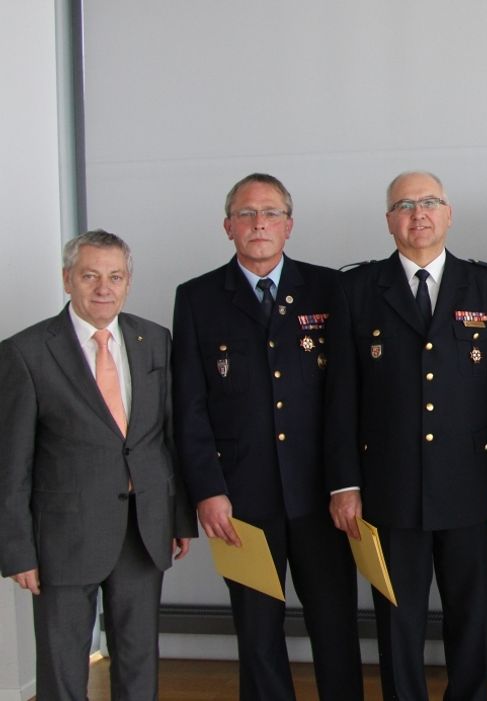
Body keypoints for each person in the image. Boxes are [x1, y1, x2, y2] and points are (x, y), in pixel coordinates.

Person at [324, 170, 487, 700]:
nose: (419, 213)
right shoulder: (356, 289)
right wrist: (344, 483)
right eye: (406, 204)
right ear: (389, 219)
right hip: (389, 490)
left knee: (470, 616)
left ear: (449, 213)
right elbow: (341, 397)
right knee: (398, 621)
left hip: (468, 487)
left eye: (430, 202)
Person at [172, 173, 362, 700]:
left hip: (321, 495)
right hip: (241, 502)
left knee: (336, 626)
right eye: (248, 214)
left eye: (272, 213)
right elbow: (188, 408)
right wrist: (207, 489)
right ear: (228, 226)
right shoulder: (197, 298)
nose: (260, 224)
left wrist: (347, 483)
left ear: (289, 225)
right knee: (257, 633)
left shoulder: (329, 289)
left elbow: (347, 397)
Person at [0, 229, 196, 700]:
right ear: (68, 279)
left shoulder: (155, 340)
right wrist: (17, 550)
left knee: (137, 659)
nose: (103, 288)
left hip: (142, 529)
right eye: (90, 276)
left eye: (115, 276)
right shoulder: (25, 352)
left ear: (128, 281)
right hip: (63, 539)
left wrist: (178, 516)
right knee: (64, 669)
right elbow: (11, 464)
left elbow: (169, 439)